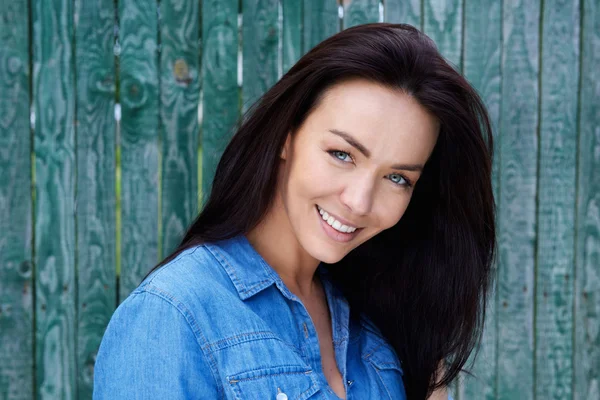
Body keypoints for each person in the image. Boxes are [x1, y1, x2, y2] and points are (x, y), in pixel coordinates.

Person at [93, 23, 495, 400]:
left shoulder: (385, 323)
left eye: (397, 178)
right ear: (286, 136)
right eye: (342, 154)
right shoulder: (172, 315)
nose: (359, 201)